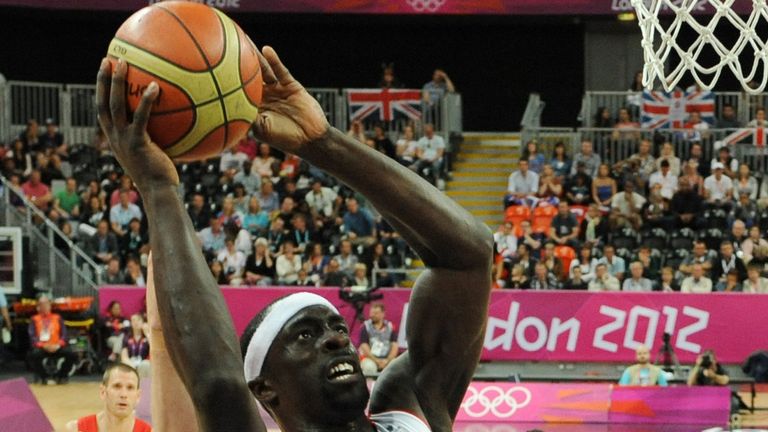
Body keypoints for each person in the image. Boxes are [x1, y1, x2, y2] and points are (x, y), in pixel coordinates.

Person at [98, 47, 492, 431]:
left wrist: (323, 143)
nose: (336, 340)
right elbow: (217, 382)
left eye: (337, 328)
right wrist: (158, 190)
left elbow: (469, 256)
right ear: (266, 390)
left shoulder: (411, 412)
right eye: (305, 335)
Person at [65, 363, 152, 432]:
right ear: (103, 392)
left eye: (130, 388)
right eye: (117, 386)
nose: (124, 394)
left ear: (138, 396)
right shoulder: (76, 429)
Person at [27, 294, 78, 384]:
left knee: (71, 354)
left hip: (56, 346)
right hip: (42, 347)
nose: (45, 306)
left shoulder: (57, 317)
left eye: (47, 304)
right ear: (38, 307)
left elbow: (64, 334)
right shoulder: (34, 319)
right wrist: (43, 345)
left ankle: (61, 376)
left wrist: (58, 344)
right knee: (34, 355)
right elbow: (32, 336)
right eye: (42, 304)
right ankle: (44, 377)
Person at [358, 303, 399, 375]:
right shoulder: (365, 327)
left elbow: (394, 346)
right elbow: (364, 346)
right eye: (371, 313)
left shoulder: (390, 327)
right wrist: (376, 360)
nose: (372, 315)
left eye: (375, 313)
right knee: (369, 367)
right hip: (370, 358)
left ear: (383, 314)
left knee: (396, 367)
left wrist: (387, 360)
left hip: (387, 358)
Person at [121, 314, 150, 379]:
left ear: (143, 322)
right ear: (131, 323)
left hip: (144, 364)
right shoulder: (127, 337)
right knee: (125, 365)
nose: (136, 322)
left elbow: (154, 349)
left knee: (145, 365)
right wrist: (131, 364)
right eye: (133, 320)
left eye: (138, 320)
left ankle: (146, 388)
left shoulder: (147, 336)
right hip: (131, 363)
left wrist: (147, 333)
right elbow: (124, 357)